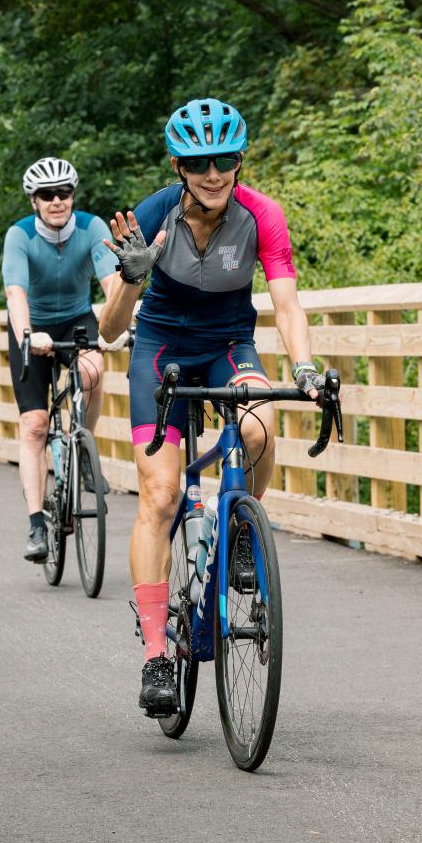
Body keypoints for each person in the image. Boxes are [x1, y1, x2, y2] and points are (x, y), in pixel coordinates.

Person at [97, 98, 322, 718]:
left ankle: (242, 528)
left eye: (225, 160)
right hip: (160, 347)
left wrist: (303, 367)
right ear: (179, 166)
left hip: (228, 344)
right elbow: (111, 329)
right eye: (199, 163)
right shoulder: (152, 216)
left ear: (239, 161)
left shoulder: (261, 215)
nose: (214, 174)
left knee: (260, 426)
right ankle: (156, 655)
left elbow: (287, 303)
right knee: (161, 493)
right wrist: (132, 279)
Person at [2, 156, 118, 563]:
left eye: (64, 193)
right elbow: (15, 293)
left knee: (93, 370)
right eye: (47, 195)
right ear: (34, 201)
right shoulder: (19, 235)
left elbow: (111, 284)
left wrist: (120, 325)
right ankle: (36, 524)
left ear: (73, 195)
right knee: (34, 425)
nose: (57, 201)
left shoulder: (92, 228)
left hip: (76, 318)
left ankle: (83, 447)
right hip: (31, 324)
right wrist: (27, 335)